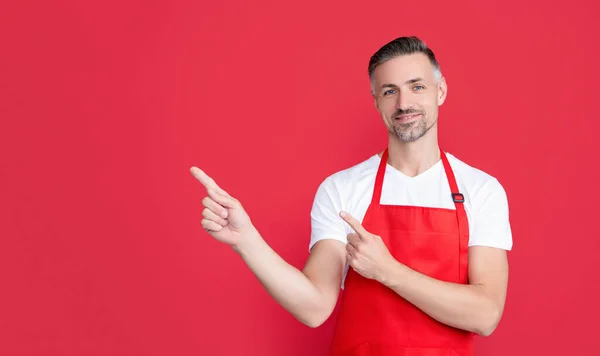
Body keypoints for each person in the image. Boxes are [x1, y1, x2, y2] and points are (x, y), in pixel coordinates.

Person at [190, 36, 512, 355]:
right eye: (390, 91)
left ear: (439, 91)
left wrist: (388, 272)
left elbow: (485, 315)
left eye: (417, 86)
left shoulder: (481, 191)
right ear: (376, 100)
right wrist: (246, 240)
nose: (403, 104)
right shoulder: (342, 189)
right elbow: (314, 306)